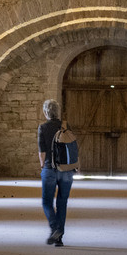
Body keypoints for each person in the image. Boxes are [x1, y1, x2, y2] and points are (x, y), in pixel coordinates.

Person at [37, 100, 76, 247]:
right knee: (62, 202)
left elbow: (42, 152)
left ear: (46, 112)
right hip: (66, 169)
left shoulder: (43, 127)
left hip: (50, 169)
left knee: (47, 201)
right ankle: (59, 238)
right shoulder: (66, 126)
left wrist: (43, 166)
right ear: (58, 112)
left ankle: (55, 228)